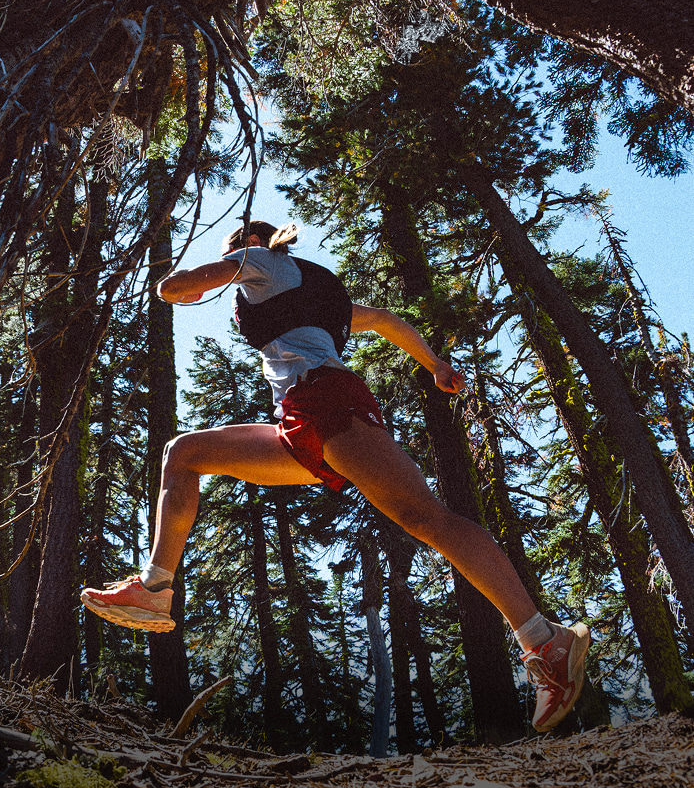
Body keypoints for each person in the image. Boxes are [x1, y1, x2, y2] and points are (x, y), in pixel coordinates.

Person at [80, 219, 589, 732]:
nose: (234, 262)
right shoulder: (319, 290)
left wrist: (194, 279)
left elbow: (174, 289)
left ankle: (545, 640)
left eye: (234, 252)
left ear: (250, 244)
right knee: (184, 452)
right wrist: (434, 364)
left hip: (326, 401)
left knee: (426, 518)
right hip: (299, 419)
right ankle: (155, 588)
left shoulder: (259, 260)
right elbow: (386, 320)